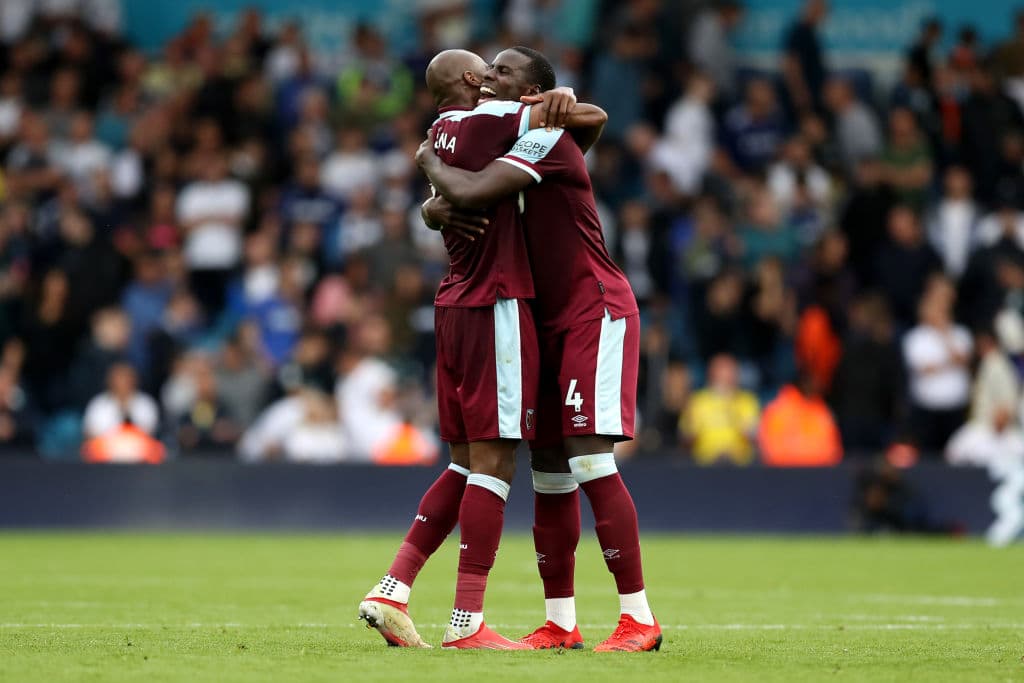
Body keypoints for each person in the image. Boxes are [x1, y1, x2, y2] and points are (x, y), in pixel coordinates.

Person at [358, 49, 606, 650]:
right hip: (496, 302)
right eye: (487, 69)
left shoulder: (441, 132)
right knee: (495, 462)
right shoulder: (492, 120)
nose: (493, 76)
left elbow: (449, 194)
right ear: (473, 80)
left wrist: (428, 182)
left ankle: (392, 589)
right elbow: (591, 122)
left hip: (452, 303)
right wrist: (562, 102)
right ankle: (467, 620)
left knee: (464, 463)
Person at [417, 47, 661, 652]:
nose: (488, 77)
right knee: (549, 472)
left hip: (590, 309)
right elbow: (460, 196)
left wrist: (429, 165)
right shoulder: (500, 139)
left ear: (532, 93)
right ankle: (560, 621)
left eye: (502, 71)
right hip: (539, 319)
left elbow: (474, 190)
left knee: (588, 459)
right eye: (488, 69)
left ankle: (638, 618)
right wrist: (432, 208)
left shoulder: (544, 138)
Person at [680, 353, 759, 465]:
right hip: (704, 464)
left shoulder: (747, 401)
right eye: (721, 370)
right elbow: (686, 437)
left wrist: (734, 413)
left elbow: (754, 436)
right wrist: (690, 432)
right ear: (711, 373)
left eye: (730, 370)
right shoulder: (698, 401)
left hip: (740, 465)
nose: (726, 375)